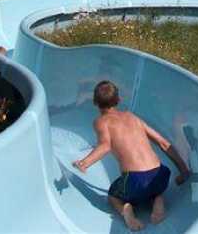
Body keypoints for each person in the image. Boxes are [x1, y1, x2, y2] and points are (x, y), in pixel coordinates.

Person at [73, 81, 190, 231]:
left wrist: (84, 163)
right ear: (119, 100)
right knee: (153, 188)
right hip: (160, 175)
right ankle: (158, 199)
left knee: (113, 196)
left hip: (135, 180)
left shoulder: (101, 122)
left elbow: (105, 146)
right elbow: (164, 143)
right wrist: (184, 170)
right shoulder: (132, 117)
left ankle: (126, 211)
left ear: (95, 102)